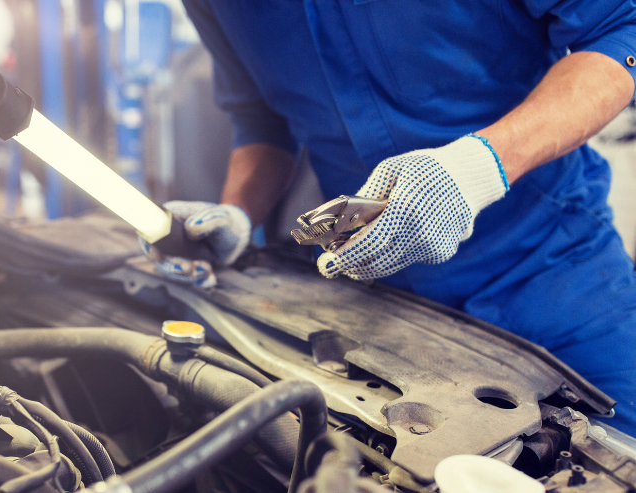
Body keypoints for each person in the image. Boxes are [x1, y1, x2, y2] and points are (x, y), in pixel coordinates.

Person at [139, 2, 636, 435]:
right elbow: (261, 120)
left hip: (555, 274)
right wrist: (237, 214)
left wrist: (477, 168)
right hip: (374, 304)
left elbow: (620, 30)